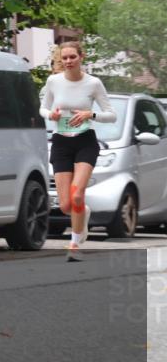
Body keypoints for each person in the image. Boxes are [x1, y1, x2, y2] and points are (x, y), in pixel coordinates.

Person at [39, 41, 116, 261]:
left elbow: (111, 115)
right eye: (64, 58)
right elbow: (43, 108)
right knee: (65, 205)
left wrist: (90, 115)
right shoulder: (54, 81)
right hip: (61, 143)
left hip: (85, 142)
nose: (68, 61)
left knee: (77, 194)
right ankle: (83, 212)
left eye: (72, 57)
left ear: (81, 57)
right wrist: (51, 115)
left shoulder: (93, 83)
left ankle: (74, 245)